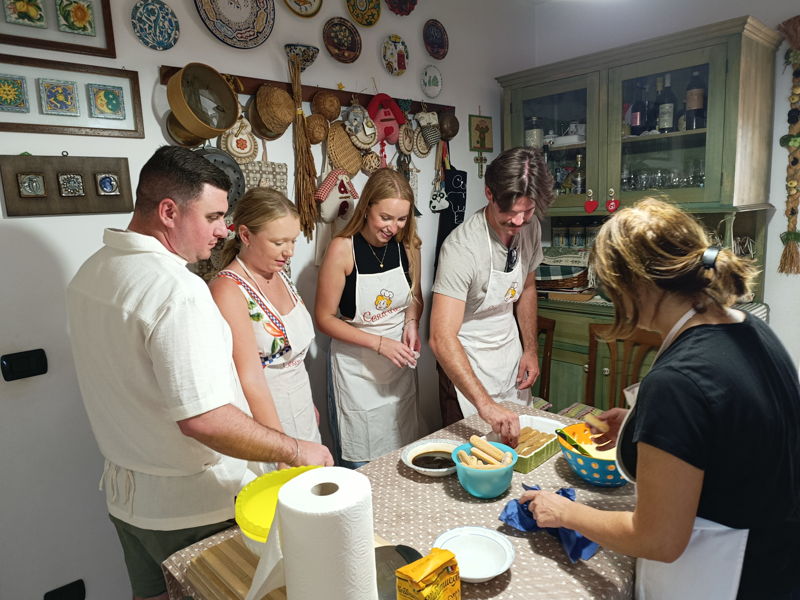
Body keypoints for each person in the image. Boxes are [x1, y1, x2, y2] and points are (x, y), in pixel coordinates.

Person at [66, 146, 332, 600]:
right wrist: (292, 447)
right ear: (169, 211)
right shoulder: (179, 290)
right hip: (191, 509)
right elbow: (203, 418)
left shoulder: (91, 272)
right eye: (212, 216)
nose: (222, 230)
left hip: (128, 501)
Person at [521, 199, 800, 600]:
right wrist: (642, 422)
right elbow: (724, 427)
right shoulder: (750, 327)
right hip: (780, 560)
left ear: (635, 283)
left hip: (724, 575)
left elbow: (659, 539)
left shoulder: (678, 382)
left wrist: (565, 512)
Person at [429, 146, 554, 446]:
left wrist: (531, 349)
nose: (520, 222)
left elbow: (526, 288)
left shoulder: (530, 226)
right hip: (466, 361)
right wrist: (484, 405)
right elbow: (441, 337)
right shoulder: (461, 248)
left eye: (528, 211)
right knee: (475, 456)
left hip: (508, 354)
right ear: (489, 194)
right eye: (510, 213)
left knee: (518, 447)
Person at [315, 167, 423, 468]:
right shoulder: (342, 250)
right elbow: (324, 319)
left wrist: (411, 322)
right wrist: (379, 343)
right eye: (385, 218)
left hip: (397, 367)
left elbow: (415, 296)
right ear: (367, 208)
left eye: (401, 219)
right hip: (355, 373)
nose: (393, 227)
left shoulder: (409, 245)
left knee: (402, 455)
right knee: (363, 464)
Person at [209, 188, 322, 452]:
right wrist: (283, 448)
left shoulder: (279, 273)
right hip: (265, 419)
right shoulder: (228, 289)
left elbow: (293, 358)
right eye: (279, 242)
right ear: (246, 235)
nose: (289, 251)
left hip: (302, 407)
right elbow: (250, 378)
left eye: (293, 241)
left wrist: (308, 405)